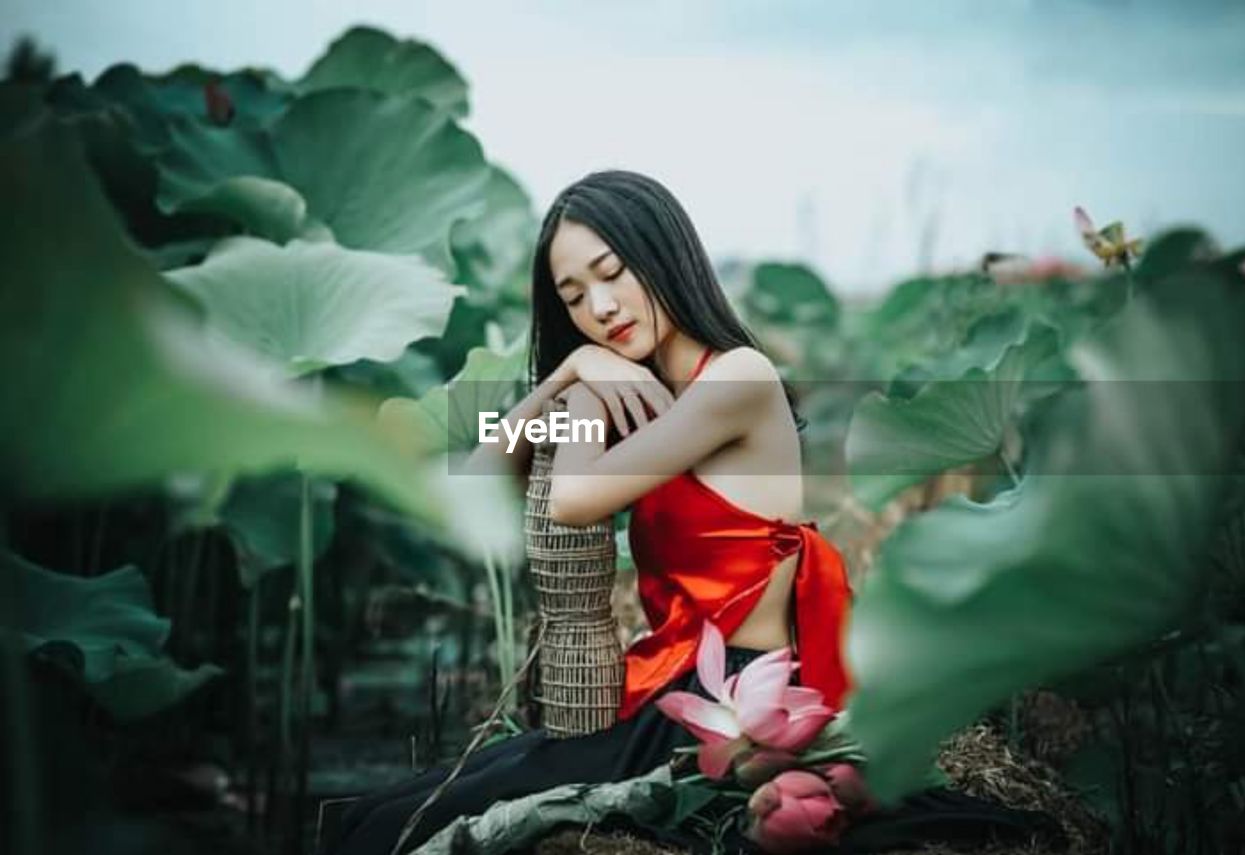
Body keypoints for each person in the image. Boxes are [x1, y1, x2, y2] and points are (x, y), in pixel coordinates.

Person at [328, 171, 1047, 854]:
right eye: (573, 296)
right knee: (414, 802)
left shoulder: (736, 377)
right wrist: (563, 382)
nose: (598, 308)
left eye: (611, 274)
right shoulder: (634, 393)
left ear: (663, 256)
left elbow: (575, 501)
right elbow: (484, 479)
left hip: (737, 692)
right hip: (676, 680)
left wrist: (581, 379)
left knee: (445, 809)